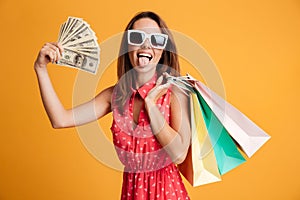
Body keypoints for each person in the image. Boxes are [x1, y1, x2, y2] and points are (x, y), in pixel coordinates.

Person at [34, 11, 191, 200]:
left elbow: (180, 155)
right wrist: (41, 69)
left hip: (167, 193)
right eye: (137, 37)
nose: (146, 44)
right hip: (132, 192)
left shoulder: (176, 92)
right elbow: (60, 120)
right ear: (127, 47)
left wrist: (150, 103)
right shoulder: (115, 96)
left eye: (156, 39)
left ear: (163, 49)